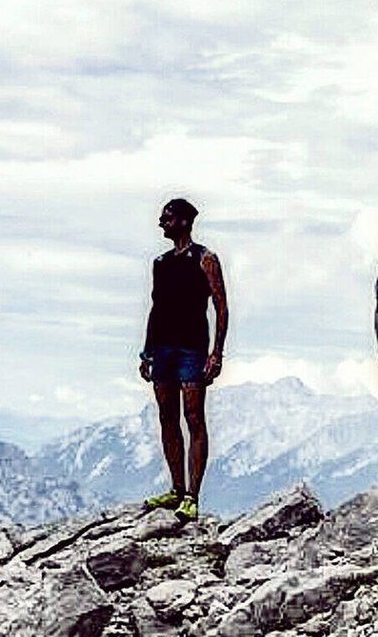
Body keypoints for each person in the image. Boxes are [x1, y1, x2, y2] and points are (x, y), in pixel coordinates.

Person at [138, 198, 228, 521]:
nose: (161, 222)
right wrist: (146, 352)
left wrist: (216, 353)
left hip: (192, 349)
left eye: (167, 217)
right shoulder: (160, 263)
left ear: (185, 221)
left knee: (193, 417)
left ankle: (192, 497)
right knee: (167, 417)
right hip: (162, 348)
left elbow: (221, 305)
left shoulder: (205, 259)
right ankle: (176, 490)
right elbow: (155, 309)